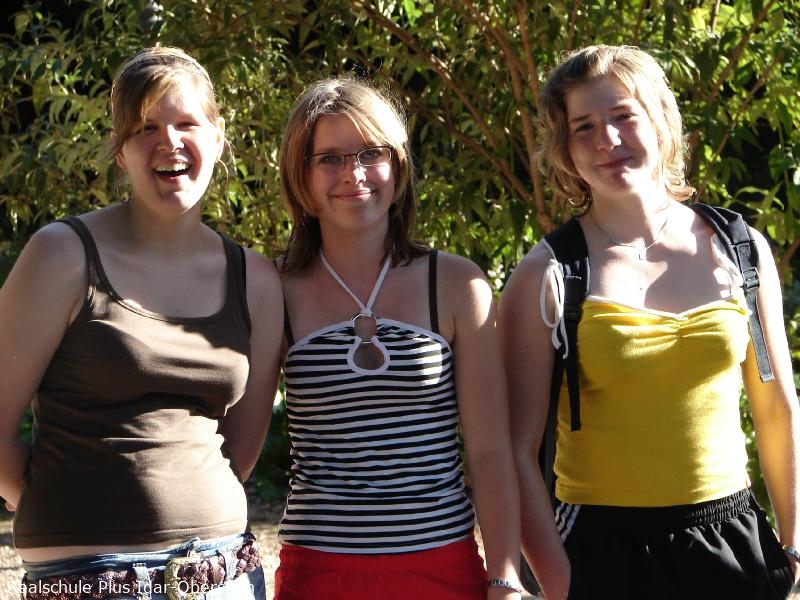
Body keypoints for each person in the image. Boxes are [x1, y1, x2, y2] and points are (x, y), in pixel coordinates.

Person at [500, 43, 800, 600]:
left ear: (661, 120)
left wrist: (795, 542)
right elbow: (514, 451)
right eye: (584, 127)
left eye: (623, 116)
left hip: (733, 543)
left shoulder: (740, 249)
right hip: (603, 550)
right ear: (564, 147)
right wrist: (559, 581)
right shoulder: (548, 273)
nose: (607, 140)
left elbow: (777, 407)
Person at [0, 46, 283, 599]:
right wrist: (56, 503)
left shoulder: (257, 280)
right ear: (120, 151)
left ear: (218, 138)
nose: (168, 142)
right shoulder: (61, 254)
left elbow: (238, 453)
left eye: (186, 123)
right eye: (145, 127)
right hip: (85, 579)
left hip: (223, 576)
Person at [272, 76, 522, 600]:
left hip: (442, 568)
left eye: (371, 153)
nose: (354, 173)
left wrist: (504, 577)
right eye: (330, 158)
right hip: (318, 575)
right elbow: (237, 438)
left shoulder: (457, 283)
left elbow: (490, 451)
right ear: (301, 175)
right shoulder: (273, 288)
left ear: (398, 165)